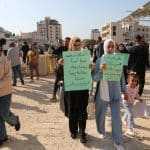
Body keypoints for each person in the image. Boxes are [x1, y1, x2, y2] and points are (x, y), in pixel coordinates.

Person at [92, 39, 127, 150]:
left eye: (113, 46)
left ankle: (118, 139)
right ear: (105, 48)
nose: (111, 48)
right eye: (109, 46)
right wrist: (101, 71)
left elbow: (121, 77)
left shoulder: (118, 59)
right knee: (100, 113)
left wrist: (124, 91)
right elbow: (94, 78)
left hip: (115, 92)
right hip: (103, 91)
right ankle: (101, 130)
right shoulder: (99, 60)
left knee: (116, 117)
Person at [61, 37, 92, 143]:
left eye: (79, 45)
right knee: (72, 109)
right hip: (71, 89)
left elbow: (89, 72)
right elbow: (60, 73)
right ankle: (73, 130)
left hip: (82, 88)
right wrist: (60, 64)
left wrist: (90, 67)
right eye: (75, 45)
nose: (78, 47)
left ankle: (82, 132)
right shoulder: (66, 57)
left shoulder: (85, 56)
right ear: (71, 45)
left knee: (83, 111)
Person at [0, 38, 20, 146]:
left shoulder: (5, 61)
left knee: (3, 113)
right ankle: (2, 137)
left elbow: (8, 78)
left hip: (5, 92)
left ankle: (15, 120)